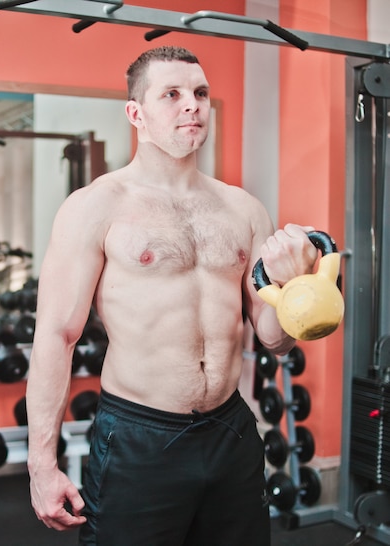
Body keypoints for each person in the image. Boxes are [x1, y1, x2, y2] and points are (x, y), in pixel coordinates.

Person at [25, 45, 319, 545]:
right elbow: (57, 334)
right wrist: (41, 465)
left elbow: (273, 340)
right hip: (139, 438)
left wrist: (298, 288)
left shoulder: (243, 209)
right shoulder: (96, 206)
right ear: (136, 113)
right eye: (173, 94)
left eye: (201, 93)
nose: (193, 105)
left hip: (231, 429)